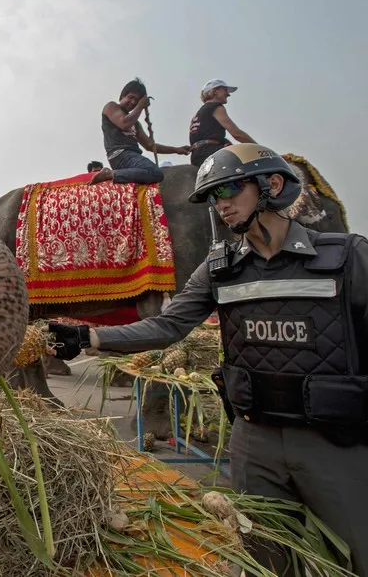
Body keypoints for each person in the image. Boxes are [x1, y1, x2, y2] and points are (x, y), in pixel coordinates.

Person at [47, 144, 368, 577]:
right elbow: (167, 326)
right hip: (256, 444)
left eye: (232, 189)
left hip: (335, 443)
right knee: (265, 563)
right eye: (214, 195)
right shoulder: (220, 269)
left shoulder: (347, 258)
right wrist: (90, 336)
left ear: (271, 185)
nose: (222, 204)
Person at [90, 79, 190, 185]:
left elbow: (150, 146)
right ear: (122, 96)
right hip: (119, 155)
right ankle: (110, 174)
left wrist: (177, 150)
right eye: (131, 97)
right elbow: (124, 123)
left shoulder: (135, 124)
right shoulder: (111, 107)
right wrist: (141, 105)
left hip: (133, 156)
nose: (133, 102)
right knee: (155, 172)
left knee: (153, 173)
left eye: (136, 101)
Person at [189, 79, 256, 167]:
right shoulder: (215, 107)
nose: (228, 94)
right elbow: (237, 134)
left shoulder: (200, 112)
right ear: (215, 91)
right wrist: (258, 149)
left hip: (196, 155)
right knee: (249, 166)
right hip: (212, 152)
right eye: (225, 90)